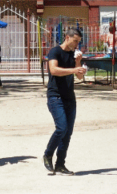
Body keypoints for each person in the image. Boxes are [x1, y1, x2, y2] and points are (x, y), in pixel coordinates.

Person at [43, 27, 86, 176]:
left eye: (78, 42)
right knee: (61, 128)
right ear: (67, 37)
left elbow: (79, 77)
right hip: (55, 97)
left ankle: (60, 164)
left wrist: (78, 64)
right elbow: (54, 70)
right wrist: (74, 70)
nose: (77, 45)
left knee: (67, 134)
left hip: (70, 98)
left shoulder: (73, 55)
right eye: (75, 41)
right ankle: (48, 154)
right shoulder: (55, 51)